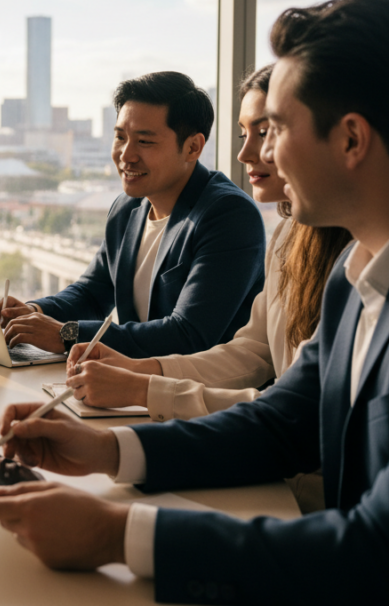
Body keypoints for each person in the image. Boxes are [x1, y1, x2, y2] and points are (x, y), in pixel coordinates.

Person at [0, 0, 389, 603]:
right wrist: (107, 449)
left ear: (351, 139)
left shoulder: (241, 224)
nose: (260, 154)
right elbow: (281, 425)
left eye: (274, 129)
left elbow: (371, 551)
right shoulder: (355, 280)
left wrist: (118, 534)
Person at [65, 66, 351, 427]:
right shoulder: (289, 235)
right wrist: (139, 372)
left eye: (267, 133)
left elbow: (191, 335)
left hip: (293, 456)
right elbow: (253, 351)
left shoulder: (229, 212)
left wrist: (142, 386)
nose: (244, 154)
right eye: (244, 134)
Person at [0, 71, 266, 359]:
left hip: (203, 395)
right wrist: (32, 313)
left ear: (192, 147)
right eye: (121, 137)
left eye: (145, 142)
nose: (126, 155)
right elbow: (92, 292)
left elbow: (189, 334)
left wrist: (67, 334)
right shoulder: (127, 208)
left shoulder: (229, 215)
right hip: (130, 386)